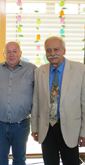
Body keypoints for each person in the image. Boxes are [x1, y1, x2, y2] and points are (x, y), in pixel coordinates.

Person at [31, 36, 85, 165]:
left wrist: (84, 131)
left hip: (71, 127)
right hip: (47, 127)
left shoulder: (80, 69)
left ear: (64, 51)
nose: (52, 54)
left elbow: (84, 102)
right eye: (48, 50)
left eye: (56, 49)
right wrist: (35, 127)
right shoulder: (39, 72)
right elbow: (36, 101)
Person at [0, 41, 36, 165]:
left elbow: (40, 94)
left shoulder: (32, 69)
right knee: (1, 159)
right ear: (3, 54)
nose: (11, 54)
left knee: (19, 159)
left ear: (20, 53)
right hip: (0, 123)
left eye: (14, 51)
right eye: (8, 51)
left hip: (21, 124)